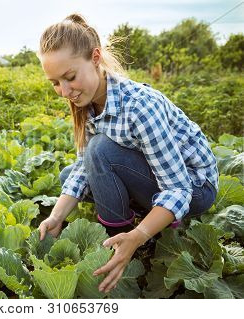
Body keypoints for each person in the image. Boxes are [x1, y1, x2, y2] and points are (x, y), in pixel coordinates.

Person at [37, 13, 219, 294]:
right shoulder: (86, 102)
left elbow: (179, 188)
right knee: (70, 175)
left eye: (70, 77)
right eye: (55, 82)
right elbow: (84, 168)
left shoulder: (139, 107)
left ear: (95, 57)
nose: (64, 91)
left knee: (100, 150)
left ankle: (124, 239)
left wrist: (139, 235)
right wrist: (56, 217)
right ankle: (138, 221)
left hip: (194, 187)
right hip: (155, 176)